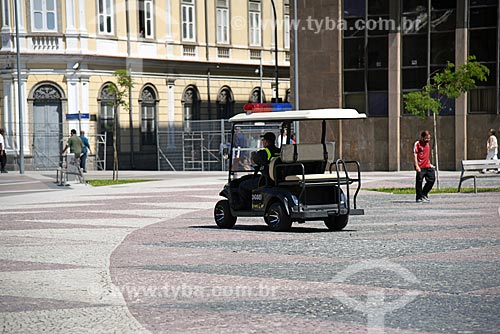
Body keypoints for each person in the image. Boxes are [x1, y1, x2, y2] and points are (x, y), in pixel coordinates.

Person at [236, 132, 280, 209]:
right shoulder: (280, 151)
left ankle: (244, 206)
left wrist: (253, 156)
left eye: (263, 140)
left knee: (242, 185)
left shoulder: (264, 152)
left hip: (266, 180)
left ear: (266, 142)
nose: (263, 142)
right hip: (278, 178)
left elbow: (253, 161)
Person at [413, 130, 435, 203]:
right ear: (422, 137)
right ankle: (418, 197)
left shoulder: (428, 144)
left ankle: (424, 193)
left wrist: (430, 163)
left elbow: (426, 155)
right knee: (419, 182)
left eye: (429, 139)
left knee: (432, 179)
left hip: (427, 165)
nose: (427, 140)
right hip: (420, 166)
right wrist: (416, 166)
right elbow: (415, 155)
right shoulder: (417, 144)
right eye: (426, 139)